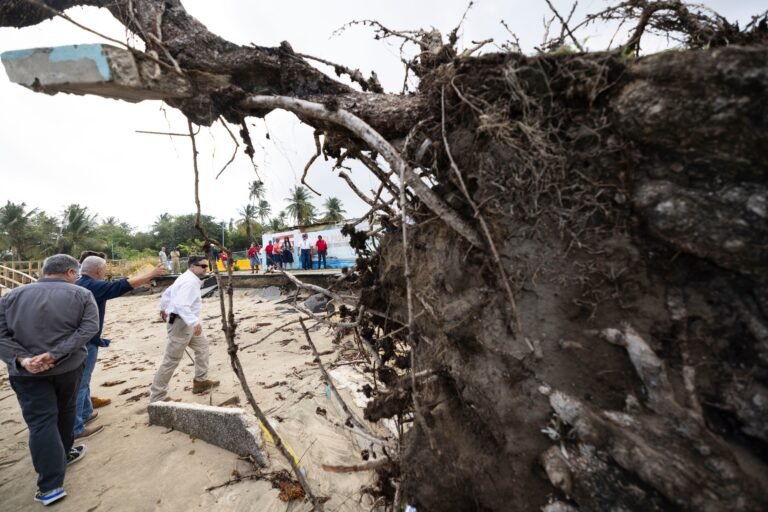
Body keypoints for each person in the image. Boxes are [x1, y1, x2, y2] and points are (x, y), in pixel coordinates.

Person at [0, 254, 99, 506]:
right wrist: (54, 354)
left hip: (26, 373)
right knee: (65, 412)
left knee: (41, 421)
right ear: (69, 272)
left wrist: (23, 359)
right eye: (75, 274)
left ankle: (51, 485)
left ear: (44, 271)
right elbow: (88, 330)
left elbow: (2, 335)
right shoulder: (82, 295)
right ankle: (58, 465)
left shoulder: (11, 296)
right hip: (67, 367)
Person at [72, 256, 166, 440]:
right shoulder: (92, 286)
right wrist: (151, 274)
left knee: (84, 378)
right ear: (98, 271)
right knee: (81, 382)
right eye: (105, 268)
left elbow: (119, 286)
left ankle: (85, 412)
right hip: (86, 341)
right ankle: (76, 427)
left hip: (85, 339)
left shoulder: (81, 283)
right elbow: (120, 286)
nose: (106, 271)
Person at [150, 255, 219, 402]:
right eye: (203, 266)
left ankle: (200, 381)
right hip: (181, 324)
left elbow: (169, 292)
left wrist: (163, 306)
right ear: (192, 266)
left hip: (184, 322)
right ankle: (157, 396)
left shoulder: (187, 277)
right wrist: (194, 322)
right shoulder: (190, 282)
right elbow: (182, 305)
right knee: (171, 360)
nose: (206, 269)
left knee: (202, 348)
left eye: (207, 266)